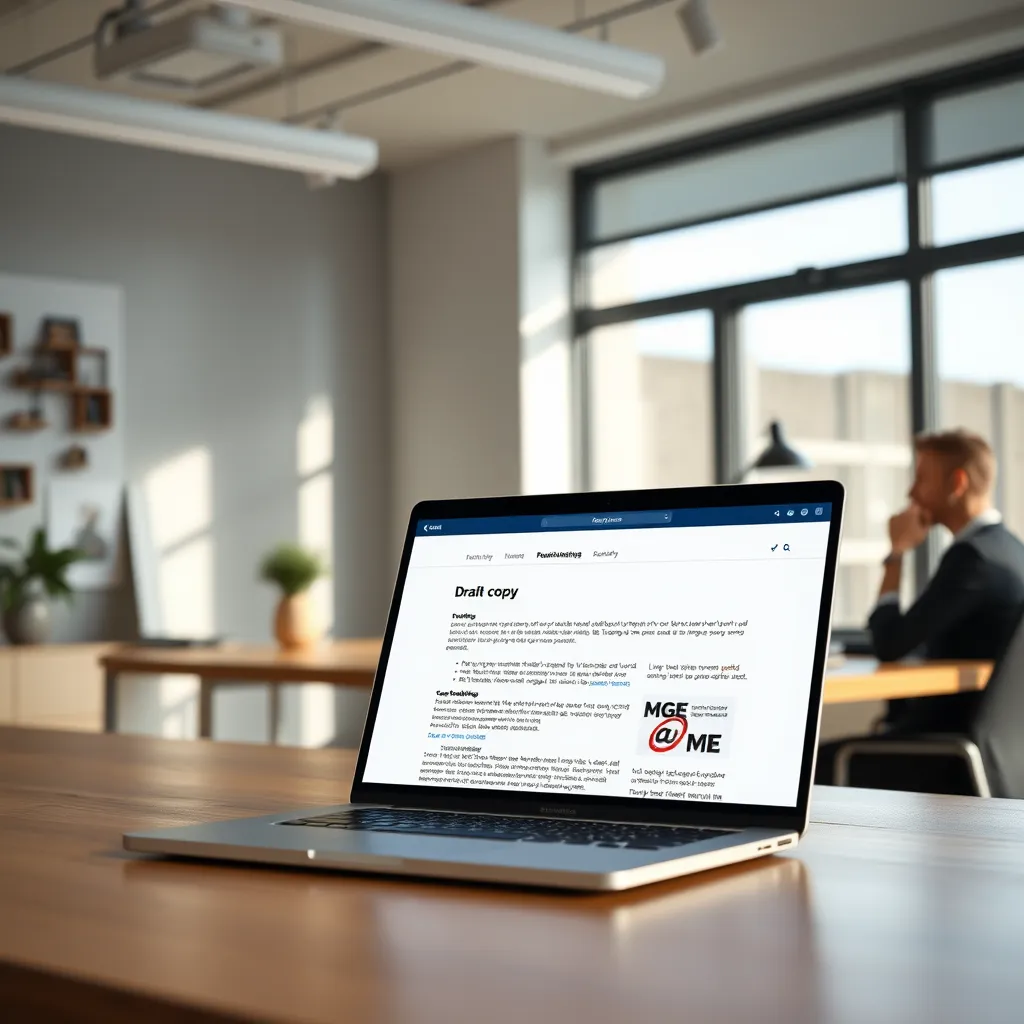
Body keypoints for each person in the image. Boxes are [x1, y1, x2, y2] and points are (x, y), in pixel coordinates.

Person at [816, 429, 1024, 786]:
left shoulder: (972, 557)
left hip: (951, 754)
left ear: (957, 482)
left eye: (921, 479)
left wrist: (896, 553)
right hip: (999, 753)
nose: (911, 493)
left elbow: (890, 644)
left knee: (814, 764)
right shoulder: (1010, 550)